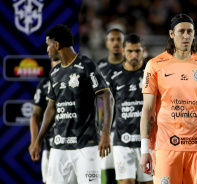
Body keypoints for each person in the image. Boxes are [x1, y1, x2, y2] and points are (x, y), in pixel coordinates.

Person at [30, 24, 114, 184]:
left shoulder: (85, 64)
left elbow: (107, 96)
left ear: (56, 45)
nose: (47, 50)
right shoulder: (54, 73)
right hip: (59, 146)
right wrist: (38, 141)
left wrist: (105, 133)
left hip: (86, 145)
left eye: (48, 45)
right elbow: (51, 109)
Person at [139, 13, 197, 184]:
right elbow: (147, 110)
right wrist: (144, 150)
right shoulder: (154, 65)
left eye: (190, 31)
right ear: (171, 34)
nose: (186, 36)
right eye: (181, 31)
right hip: (166, 146)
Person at [106, 33, 153, 184]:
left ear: (143, 50)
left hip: (148, 141)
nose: (134, 55)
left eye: (137, 51)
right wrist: (105, 133)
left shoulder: (152, 74)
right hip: (122, 140)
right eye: (130, 51)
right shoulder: (113, 76)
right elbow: (108, 107)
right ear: (123, 51)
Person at [96, 28, 125, 184]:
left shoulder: (132, 66)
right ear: (106, 43)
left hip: (129, 128)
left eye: (119, 39)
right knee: (110, 174)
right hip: (107, 129)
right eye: (112, 39)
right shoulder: (99, 67)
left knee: (132, 174)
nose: (115, 43)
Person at [29, 60, 60, 184]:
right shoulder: (44, 85)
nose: (58, 62)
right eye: (55, 60)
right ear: (51, 63)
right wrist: (34, 141)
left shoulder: (76, 80)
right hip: (50, 143)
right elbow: (35, 115)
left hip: (74, 142)